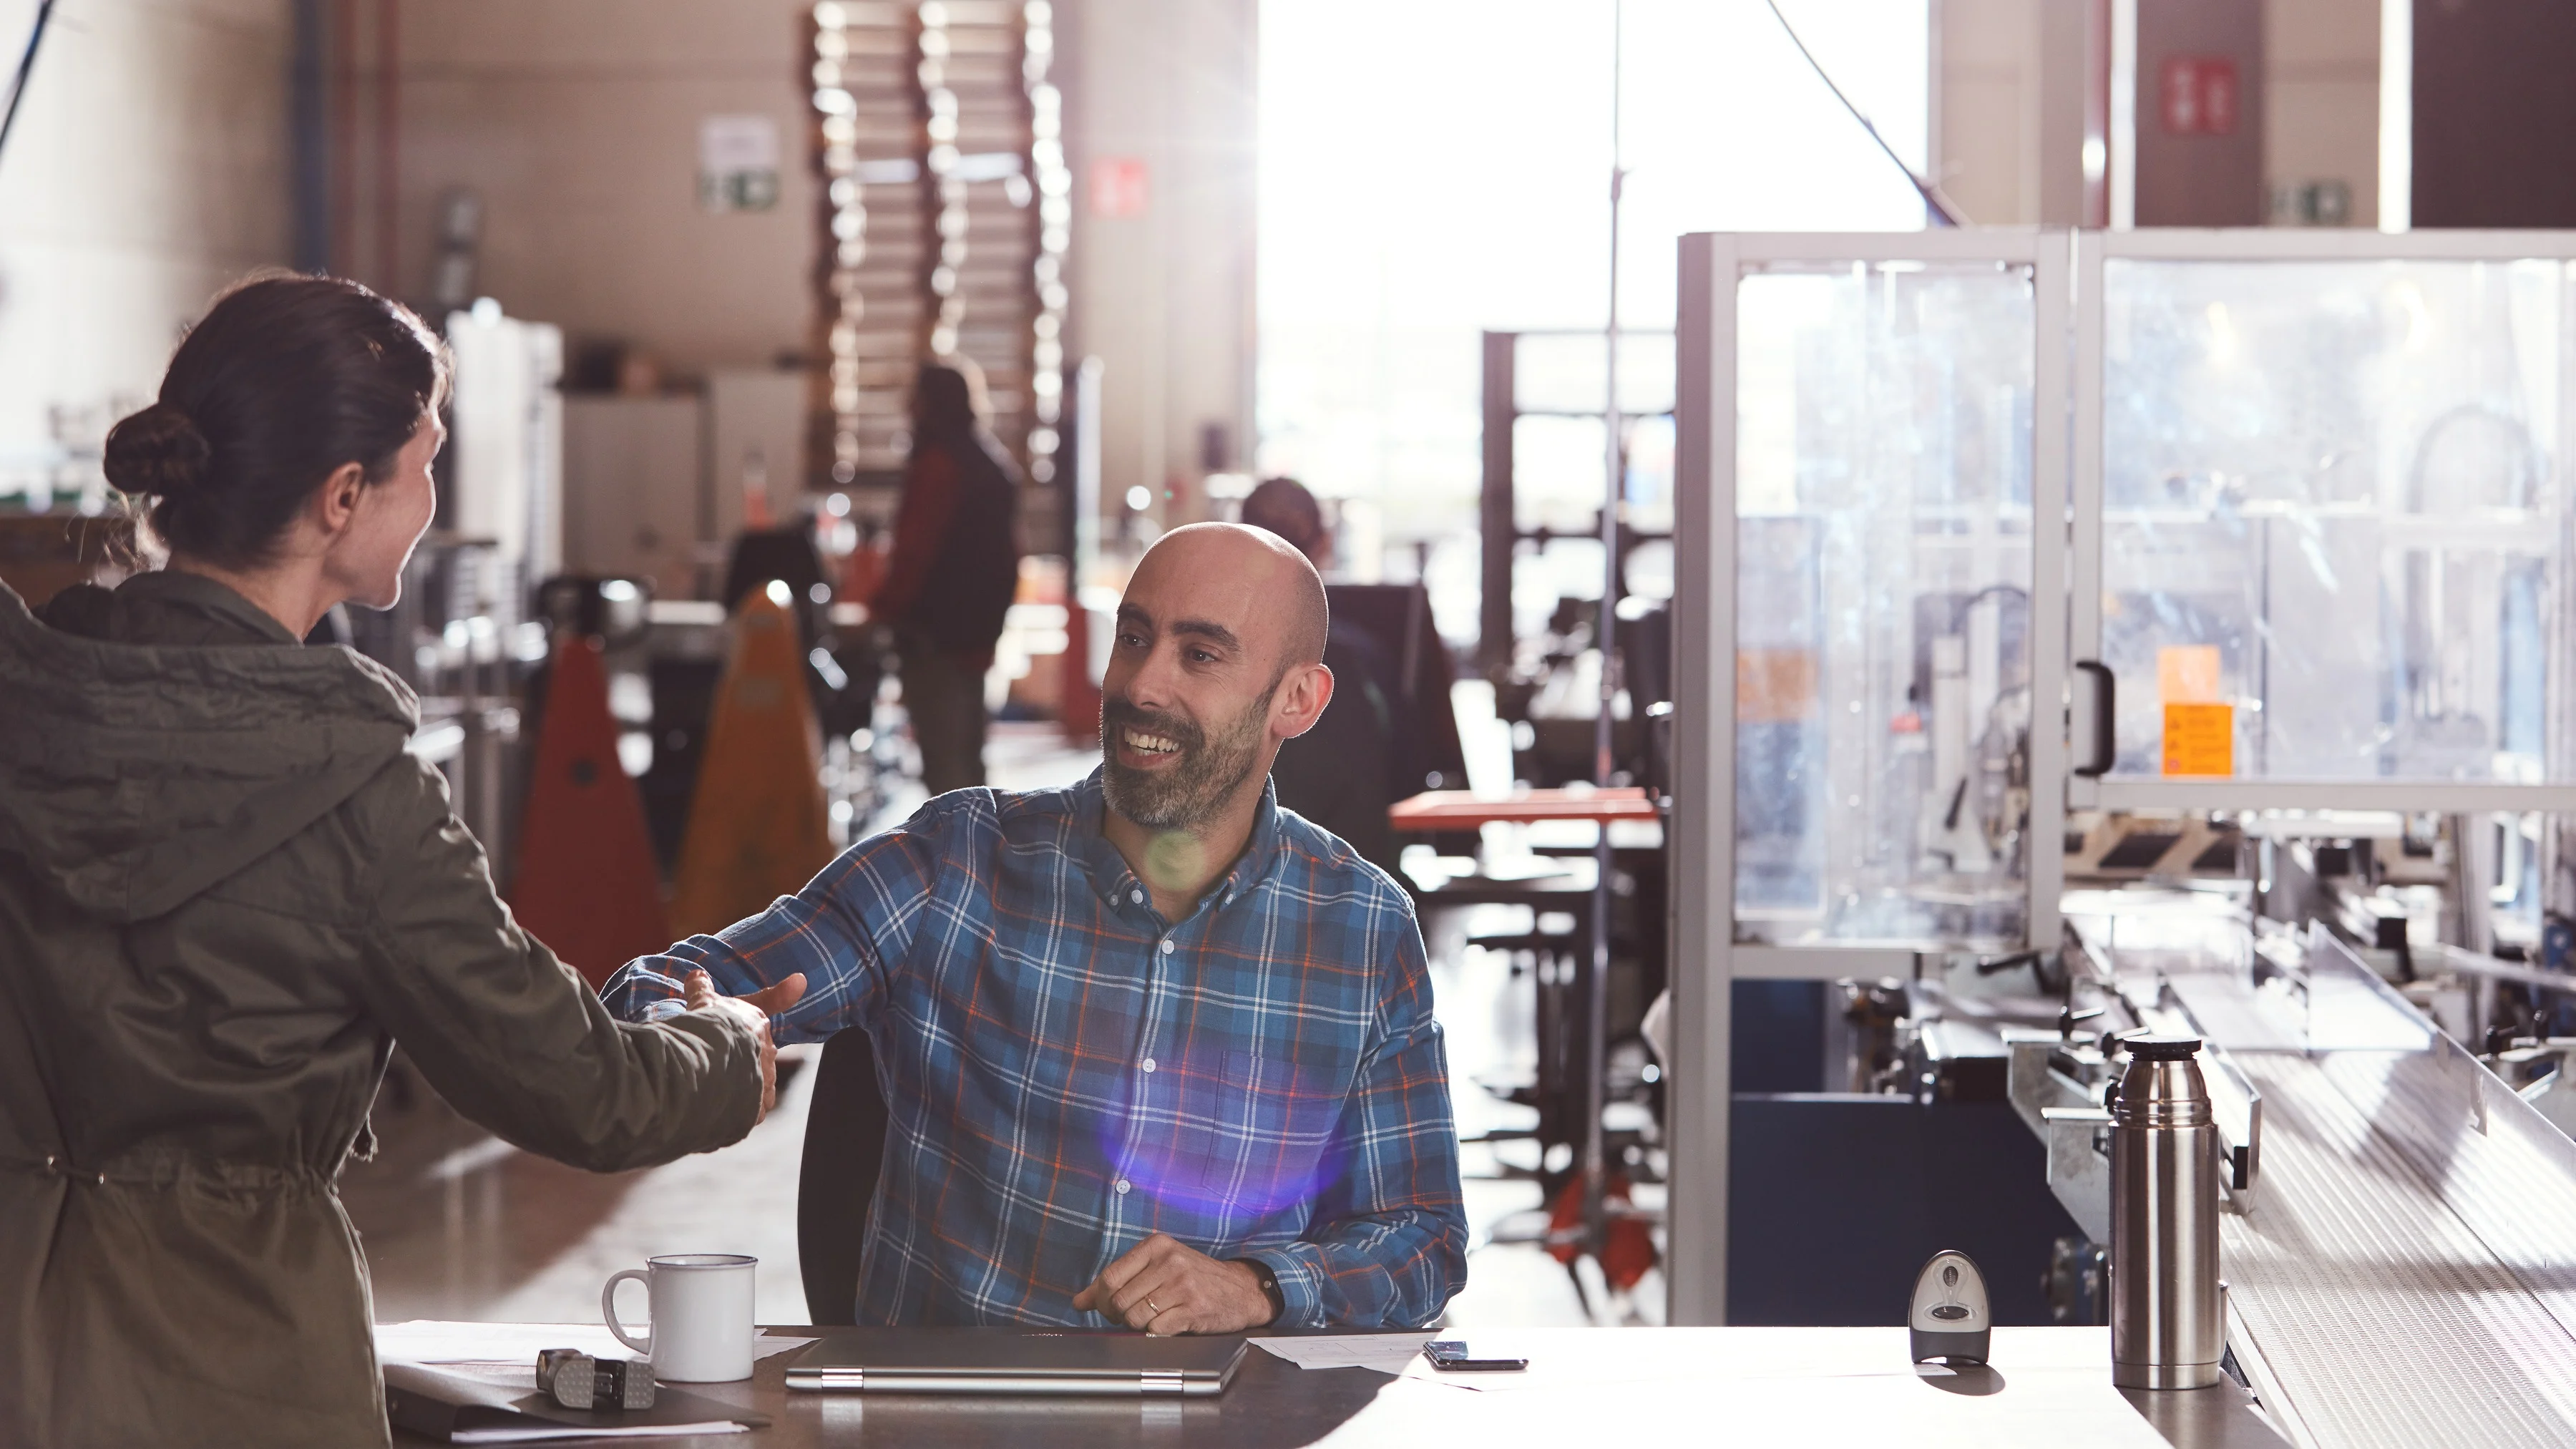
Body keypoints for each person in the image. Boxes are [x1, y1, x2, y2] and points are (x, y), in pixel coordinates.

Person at [0, 275, 791, 1449]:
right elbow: (580, 1087)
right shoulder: (355, 791)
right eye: (424, 466)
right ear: (341, 496)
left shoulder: (28, 703)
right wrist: (728, 1049)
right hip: (241, 1372)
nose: (431, 501)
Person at [605, 523, 1467, 1332]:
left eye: (1199, 655)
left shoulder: (1362, 930)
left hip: (1212, 1422)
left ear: (1297, 702)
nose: (1142, 685)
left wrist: (1258, 1287)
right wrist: (700, 1033)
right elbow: (653, 993)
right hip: (946, 1422)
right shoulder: (956, 863)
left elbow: (1422, 1237)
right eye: (1134, 638)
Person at [1237, 477, 1403, 875]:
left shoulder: (1206, 652)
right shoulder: (1362, 658)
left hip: (1230, 888)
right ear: (1325, 543)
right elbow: (1408, 777)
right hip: (1356, 881)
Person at [872, 358, 1023, 795]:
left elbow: (916, 551)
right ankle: (984, 855)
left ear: (928, 404)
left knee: (944, 764)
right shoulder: (992, 462)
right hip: (979, 631)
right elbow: (1012, 555)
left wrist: (883, 609)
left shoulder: (938, 465)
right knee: (970, 757)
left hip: (936, 634)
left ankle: (959, 860)